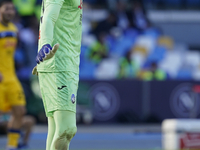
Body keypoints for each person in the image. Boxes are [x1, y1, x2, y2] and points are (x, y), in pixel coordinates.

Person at [32, 0, 83, 149]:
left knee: (56, 129)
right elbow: (49, 16)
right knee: (67, 129)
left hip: (69, 62)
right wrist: (45, 45)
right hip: (58, 62)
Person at [0, 0, 26, 149]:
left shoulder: (14, 29)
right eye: (6, 8)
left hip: (11, 77)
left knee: (20, 111)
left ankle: (12, 145)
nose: (10, 11)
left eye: (12, 9)